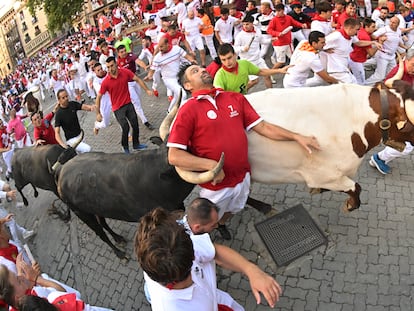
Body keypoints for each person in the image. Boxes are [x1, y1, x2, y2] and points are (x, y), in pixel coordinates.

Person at [167, 64, 320, 239]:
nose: (202, 70)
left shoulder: (234, 98)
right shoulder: (188, 109)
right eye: (195, 71)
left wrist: (296, 136)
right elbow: (174, 156)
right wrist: (211, 166)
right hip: (216, 186)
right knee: (199, 225)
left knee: (235, 208)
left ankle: (220, 223)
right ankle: (194, 248)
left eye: (202, 68)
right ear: (188, 85)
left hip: (243, 177)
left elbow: (263, 127)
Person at [136, 207, 282, 310]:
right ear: (193, 256)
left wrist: (251, 270)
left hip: (215, 299)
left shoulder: (156, 257)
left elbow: (215, 251)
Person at [369, 49, 414, 174]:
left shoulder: (410, 73)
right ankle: (378, 158)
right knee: (407, 146)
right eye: (413, 65)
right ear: (407, 59)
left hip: (401, 111)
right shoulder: (396, 74)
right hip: (389, 114)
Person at [97, 57, 152, 154]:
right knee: (125, 127)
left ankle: (136, 144)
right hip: (117, 109)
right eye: (108, 67)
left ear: (116, 64)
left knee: (135, 124)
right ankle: (125, 147)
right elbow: (98, 97)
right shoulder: (106, 82)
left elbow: (137, 79)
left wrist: (147, 89)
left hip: (128, 104)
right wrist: (98, 113)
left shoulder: (125, 72)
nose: (110, 69)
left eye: (112, 66)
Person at [312, 17, 381, 85]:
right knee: (353, 86)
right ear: (350, 28)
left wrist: (373, 42)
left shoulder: (351, 36)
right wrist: (323, 49)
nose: (357, 32)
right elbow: (317, 44)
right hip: (337, 70)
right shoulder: (336, 36)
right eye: (356, 29)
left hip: (344, 69)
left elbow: (359, 43)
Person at [213, 43, 289, 94]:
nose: (227, 62)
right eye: (223, 60)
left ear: (235, 55)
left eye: (229, 58)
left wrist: (279, 70)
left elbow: (261, 72)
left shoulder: (244, 64)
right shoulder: (220, 76)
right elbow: (219, 95)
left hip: (244, 99)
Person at [144, 38, 196, 112]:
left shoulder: (177, 49)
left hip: (179, 77)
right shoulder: (157, 58)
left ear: (167, 44)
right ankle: (182, 114)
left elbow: (186, 56)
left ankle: (169, 111)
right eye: (159, 46)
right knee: (183, 95)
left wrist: (192, 60)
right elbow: (152, 70)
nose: (159, 49)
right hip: (168, 79)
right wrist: (149, 76)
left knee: (176, 97)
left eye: (161, 46)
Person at [116, 45, 154, 130]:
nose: (124, 53)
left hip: (135, 81)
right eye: (121, 52)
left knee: (138, 99)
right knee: (137, 102)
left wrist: (145, 66)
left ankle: (133, 107)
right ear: (118, 53)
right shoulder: (117, 62)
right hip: (127, 85)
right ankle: (145, 122)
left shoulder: (130, 56)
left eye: (124, 50)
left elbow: (138, 61)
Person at [365, 16, 409, 85]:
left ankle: (384, 88)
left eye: (393, 23)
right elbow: (373, 35)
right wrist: (380, 38)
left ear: (397, 24)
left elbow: (398, 41)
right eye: (390, 21)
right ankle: (365, 84)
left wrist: (406, 47)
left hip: (392, 56)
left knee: (392, 74)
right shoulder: (384, 29)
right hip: (383, 54)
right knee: (380, 76)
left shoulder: (398, 31)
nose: (391, 23)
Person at [234, 16, 273, 89]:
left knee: (267, 75)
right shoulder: (240, 36)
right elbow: (234, 49)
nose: (245, 26)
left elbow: (262, 41)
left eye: (247, 24)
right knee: (254, 81)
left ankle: (271, 94)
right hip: (248, 62)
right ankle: (240, 94)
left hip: (258, 59)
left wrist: (270, 40)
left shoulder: (257, 30)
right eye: (244, 24)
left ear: (252, 24)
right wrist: (243, 48)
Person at [267, 3, 307, 70]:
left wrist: (301, 25)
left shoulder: (288, 17)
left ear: (283, 10)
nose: (278, 13)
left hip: (288, 42)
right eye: (277, 11)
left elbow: (295, 23)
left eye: (280, 11)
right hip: (279, 44)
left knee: (293, 58)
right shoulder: (273, 20)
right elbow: (269, 30)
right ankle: (269, 73)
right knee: (281, 62)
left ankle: (294, 72)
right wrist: (278, 34)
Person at [54, 89, 94, 153]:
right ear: (59, 100)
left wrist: (92, 107)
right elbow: (57, 133)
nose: (66, 99)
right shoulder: (59, 114)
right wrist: (62, 144)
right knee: (88, 149)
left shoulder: (72, 104)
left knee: (83, 156)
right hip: (72, 140)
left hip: (80, 135)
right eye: (63, 98)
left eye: (66, 96)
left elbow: (84, 107)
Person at [349, 18, 378, 84]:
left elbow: (372, 36)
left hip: (353, 58)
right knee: (361, 82)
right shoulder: (365, 37)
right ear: (367, 27)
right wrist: (379, 44)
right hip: (357, 61)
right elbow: (371, 53)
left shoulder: (362, 31)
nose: (375, 28)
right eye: (373, 27)